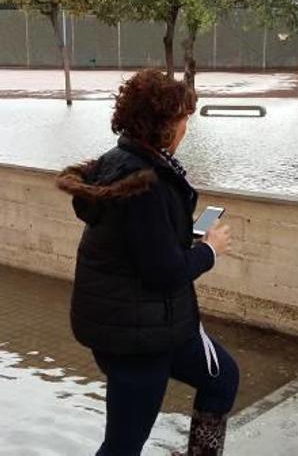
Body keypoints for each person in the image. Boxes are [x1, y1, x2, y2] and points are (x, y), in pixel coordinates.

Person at [56, 69, 239, 456]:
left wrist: (183, 239)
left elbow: (144, 245)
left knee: (222, 379)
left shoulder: (121, 161)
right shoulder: (145, 184)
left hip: (159, 327)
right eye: (182, 119)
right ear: (163, 126)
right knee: (122, 446)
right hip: (136, 339)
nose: (186, 127)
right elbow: (164, 272)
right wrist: (209, 250)